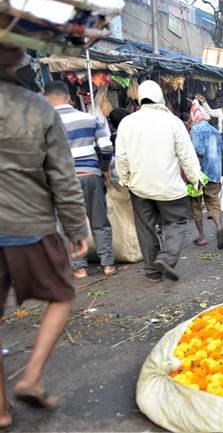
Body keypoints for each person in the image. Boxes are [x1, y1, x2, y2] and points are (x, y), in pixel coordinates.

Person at [0, 45, 90, 422]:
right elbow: (62, 178)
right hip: (28, 226)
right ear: (15, 56)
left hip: (24, 225)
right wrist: (76, 226)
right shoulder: (38, 109)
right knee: (63, 292)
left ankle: (1, 411)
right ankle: (31, 376)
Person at [116, 80, 203, 282]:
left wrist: (125, 179)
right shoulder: (172, 122)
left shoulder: (127, 122)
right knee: (178, 221)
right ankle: (166, 257)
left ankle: (152, 272)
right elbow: (186, 155)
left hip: (139, 188)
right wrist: (195, 179)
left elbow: (121, 156)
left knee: (145, 228)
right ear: (160, 98)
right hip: (169, 187)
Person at [44, 81, 117, 279]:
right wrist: (104, 170)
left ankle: (80, 268)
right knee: (100, 222)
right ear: (69, 96)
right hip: (91, 176)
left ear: (46, 99)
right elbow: (106, 147)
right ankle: (108, 264)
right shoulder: (89, 118)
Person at [188, 103, 223, 249]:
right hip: (214, 173)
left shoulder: (195, 130)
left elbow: (197, 150)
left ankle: (202, 237)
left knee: (196, 205)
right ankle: (219, 226)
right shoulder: (215, 131)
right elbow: (222, 150)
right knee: (213, 202)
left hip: (199, 174)